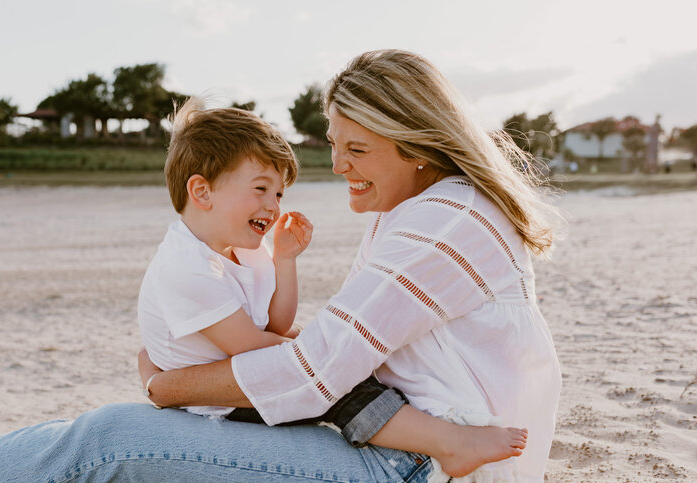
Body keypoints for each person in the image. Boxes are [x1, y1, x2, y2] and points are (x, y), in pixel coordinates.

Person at [0, 49, 560, 483]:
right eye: (334, 144)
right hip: (399, 462)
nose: (338, 166)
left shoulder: (446, 221)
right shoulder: (428, 207)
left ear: (414, 138)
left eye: (356, 148)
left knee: (119, 438)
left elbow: (315, 372)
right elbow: (324, 353)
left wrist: (170, 386)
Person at [140, 99, 526, 462]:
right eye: (260, 189)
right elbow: (252, 346)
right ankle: (450, 444)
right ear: (202, 191)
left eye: (278, 193)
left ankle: (419, 433)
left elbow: (274, 323)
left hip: (243, 385)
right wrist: (320, 348)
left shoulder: (242, 249)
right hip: (221, 407)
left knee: (335, 366)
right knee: (341, 387)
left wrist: (283, 260)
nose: (273, 206)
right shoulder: (187, 268)